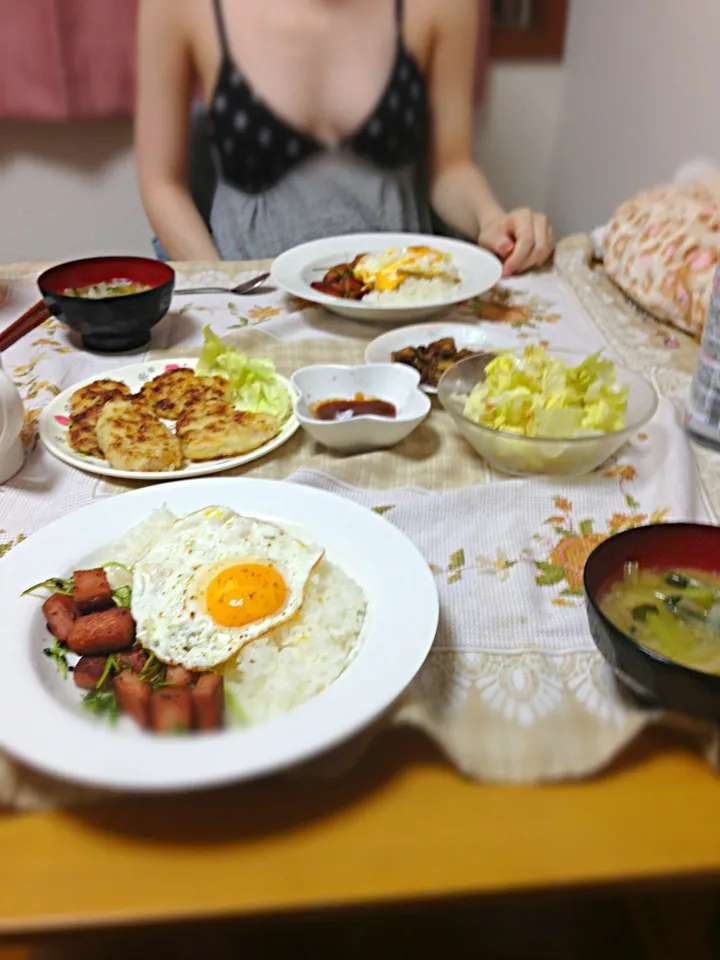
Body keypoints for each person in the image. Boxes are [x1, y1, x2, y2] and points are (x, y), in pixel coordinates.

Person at [136, 0, 554, 274]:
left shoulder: (443, 6)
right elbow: (161, 184)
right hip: (254, 300)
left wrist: (492, 218)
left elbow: (451, 168)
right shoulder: (180, 6)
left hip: (398, 301)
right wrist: (228, 292)